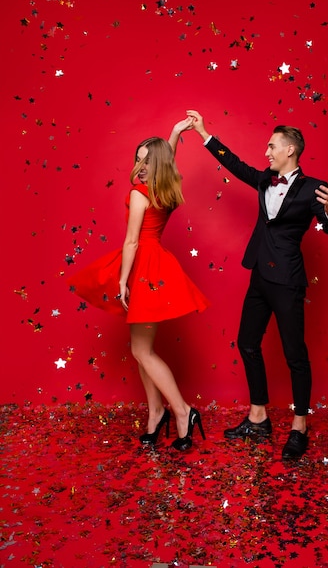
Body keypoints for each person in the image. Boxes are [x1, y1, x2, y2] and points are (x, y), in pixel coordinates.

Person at [186, 109, 328, 459]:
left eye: (272, 146)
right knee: (247, 343)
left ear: (290, 150)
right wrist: (204, 132)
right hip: (260, 276)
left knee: (295, 356)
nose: (267, 152)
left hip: (288, 281)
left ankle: (299, 426)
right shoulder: (264, 179)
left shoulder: (313, 189)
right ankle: (258, 416)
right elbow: (236, 165)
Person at [68, 117, 208, 451]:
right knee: (140, 350)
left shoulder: (140, 193)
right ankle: (157, 412)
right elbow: (166, 161)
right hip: (157, 267)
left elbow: (131, 242)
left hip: (143, 267)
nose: (141, 165)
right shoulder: (166, 188)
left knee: (141, 350)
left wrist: (121, 279)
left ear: (155, 165)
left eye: (147, 160)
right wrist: (174, 134)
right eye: (138, 158)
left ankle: (183, 411)